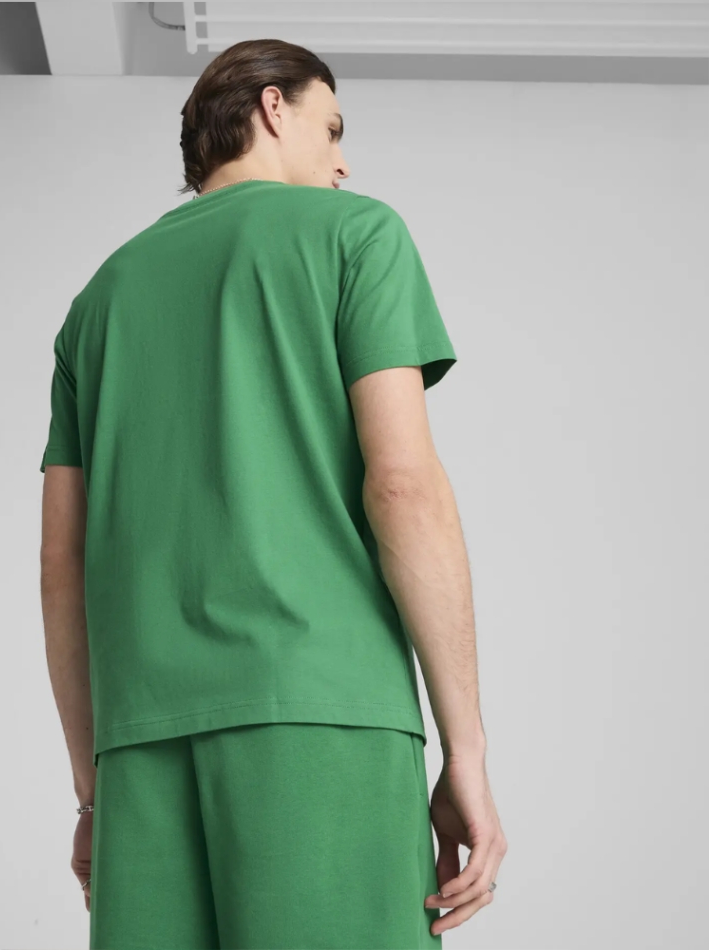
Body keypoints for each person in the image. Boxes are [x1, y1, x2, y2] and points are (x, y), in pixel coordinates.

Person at [39, 37, 507, 950]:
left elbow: (63, 564)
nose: (343, 162)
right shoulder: (356, 235)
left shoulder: (98, 302)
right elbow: (403, 485)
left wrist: (95, 796)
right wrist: (468, 752)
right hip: (322, 712)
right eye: (332, 129)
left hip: (141, 740)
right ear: (272, 107)